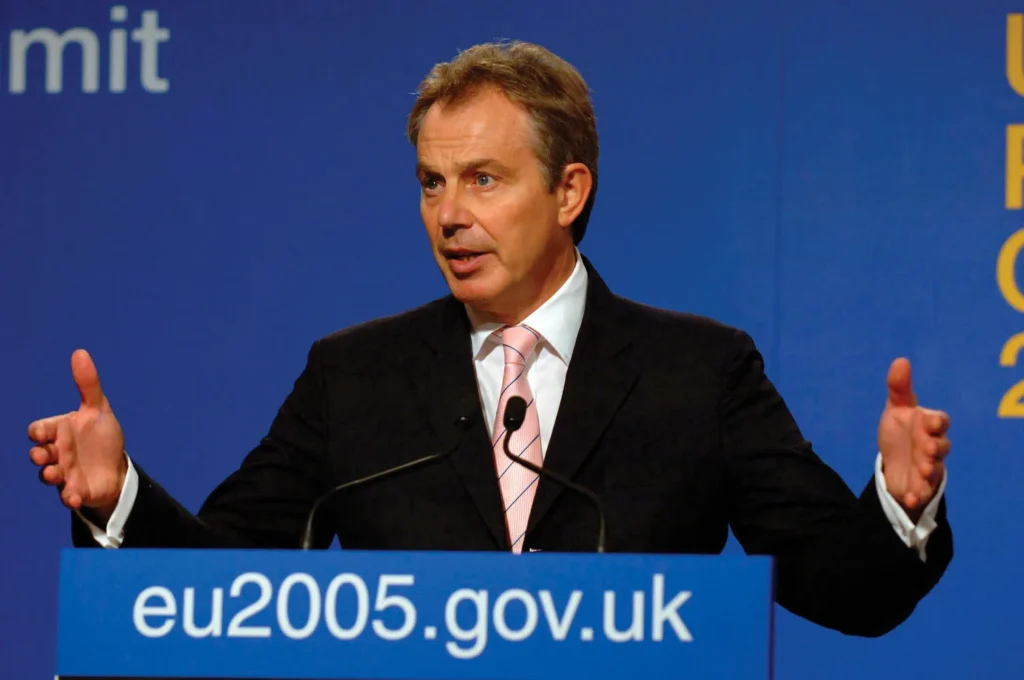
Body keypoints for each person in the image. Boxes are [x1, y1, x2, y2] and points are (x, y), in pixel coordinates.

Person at [27, 40, 951, 637]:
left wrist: (899, 504)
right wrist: (117, 497)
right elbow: (224, 589)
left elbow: (841, 588)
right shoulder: (355, 377)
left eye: (482, 180)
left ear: (568, 191)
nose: (449, 216)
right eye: (431, 184)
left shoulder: (699, 374)